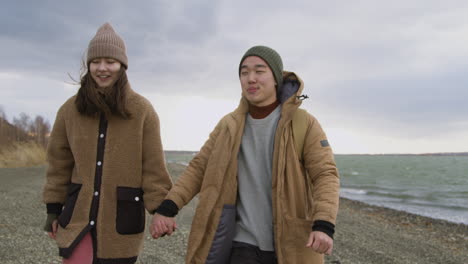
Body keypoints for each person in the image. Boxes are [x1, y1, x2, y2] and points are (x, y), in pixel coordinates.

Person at [151, 46, 340, 264]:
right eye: (244, 72)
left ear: (276, 78)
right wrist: (168, 208)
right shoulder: (228, 126)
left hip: (291, 243)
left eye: (259, 71)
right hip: (242, 244)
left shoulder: (303, 123)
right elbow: (198, 168)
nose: (251, 78)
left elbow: (325, 174)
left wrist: (324, 224)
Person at [42, 22, 173, 264]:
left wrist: (161, 211)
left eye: (110, 62)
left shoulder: (142, 110)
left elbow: (153, 167)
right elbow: (58, 163)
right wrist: (53, 208)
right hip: (77, 217)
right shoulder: (69, 111)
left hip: (121, 220)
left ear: (122, 66)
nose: (102, 68)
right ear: (88, 65)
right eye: (96, 61)